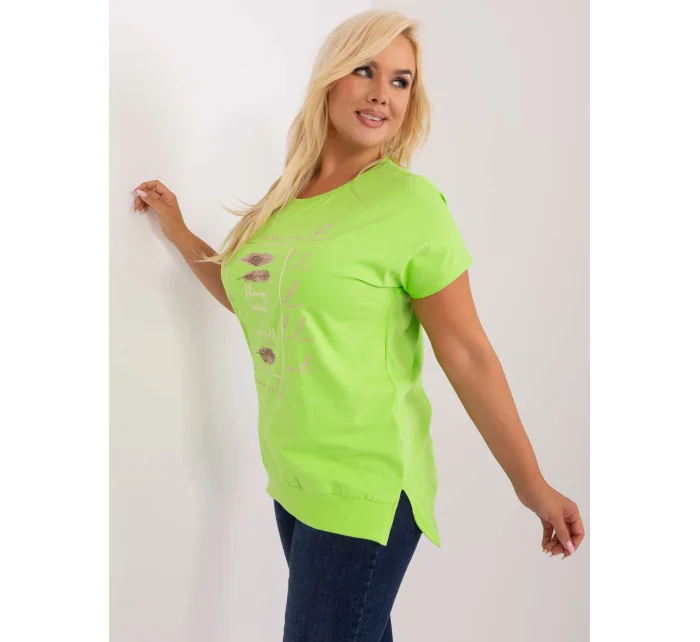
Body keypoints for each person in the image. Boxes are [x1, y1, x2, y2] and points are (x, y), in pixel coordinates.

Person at [131, 9, 585, 641]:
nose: (381, 93)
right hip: (293, 479)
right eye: (365, 71)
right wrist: (180, 233)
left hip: (366, 486)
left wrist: (530, 485)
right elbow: (257, 302)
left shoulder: (410, 205)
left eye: (401, 81)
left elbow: (467, 352)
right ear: (330, 79)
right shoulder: (286, 200)